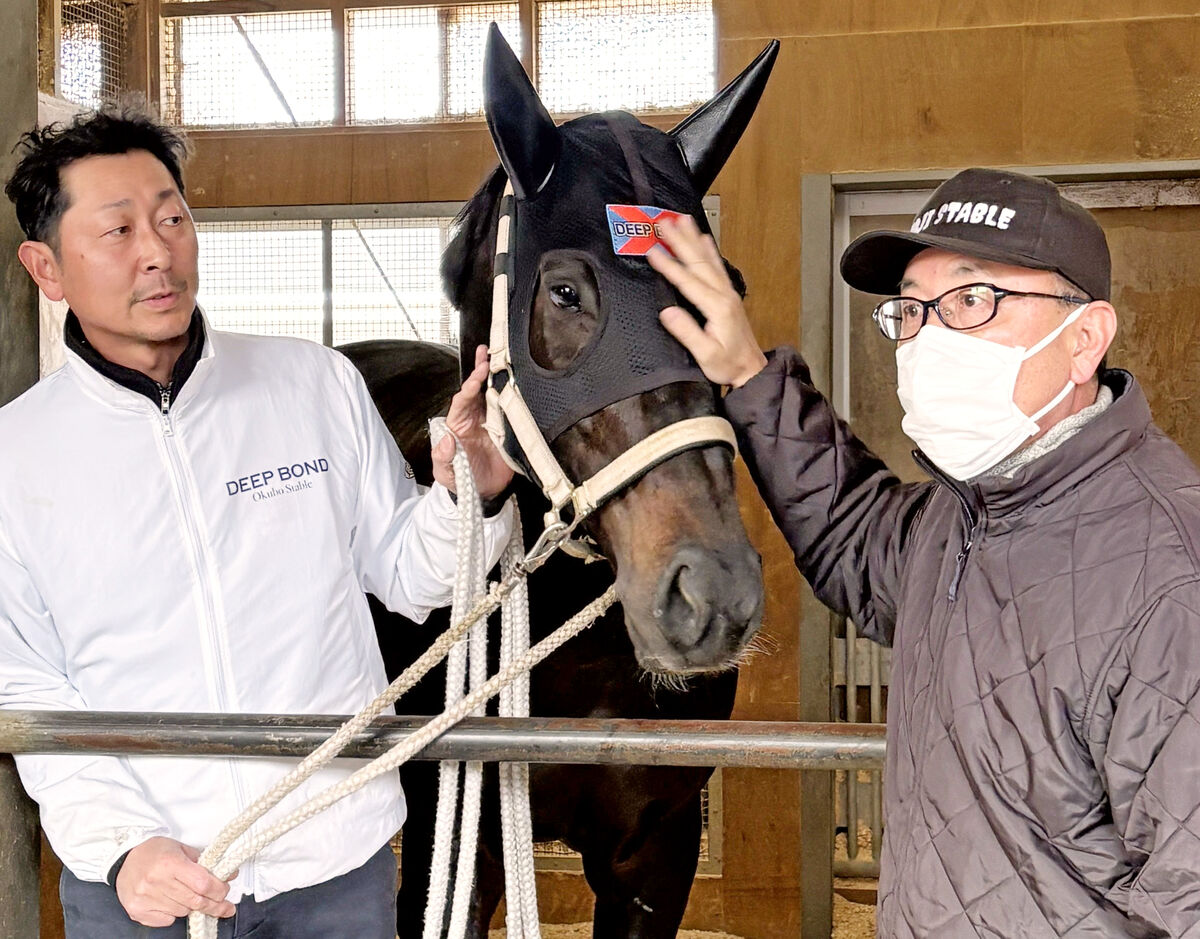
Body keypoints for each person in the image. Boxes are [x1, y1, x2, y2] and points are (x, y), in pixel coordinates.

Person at [0, 102, 514, 937]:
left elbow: (410, 577)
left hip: (331, 870)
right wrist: (126, 847)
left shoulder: (312, 385)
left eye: (172, 217)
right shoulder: (15, 456)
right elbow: (22, 685)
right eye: (119, 230)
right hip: (138, 890)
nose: (159, 252)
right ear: (47, 267)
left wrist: (468, 496)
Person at [649, 168, 1200, 936]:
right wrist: (747, 374)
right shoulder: (965, 510)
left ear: (1084, 338)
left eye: (972, 300)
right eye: (912, 310)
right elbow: (852, 528)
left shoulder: (1171, 573)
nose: (930, 338)